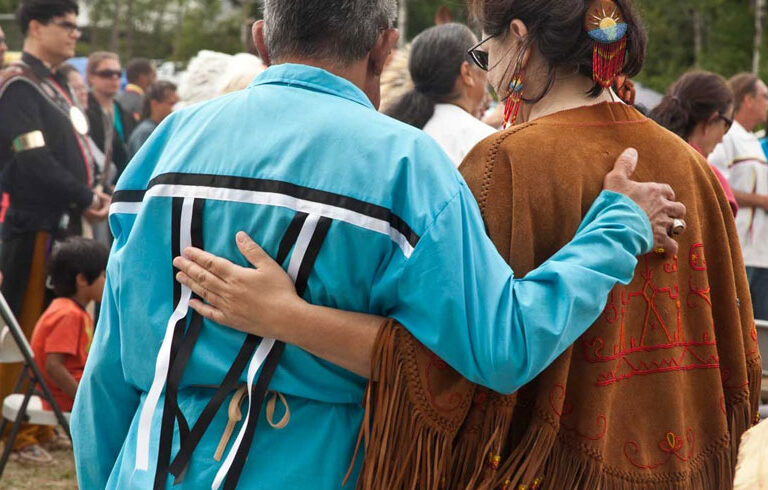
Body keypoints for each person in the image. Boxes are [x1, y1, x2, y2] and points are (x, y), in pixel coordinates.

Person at [71, 1, 684, 489]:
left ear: (261, 39)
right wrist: (616, 229)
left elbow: (108, 368)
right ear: (386, 47)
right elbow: (504, 345)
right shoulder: (402, 165)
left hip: (149, 463)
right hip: (311, 466)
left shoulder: (168, 145)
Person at [0, 0, 110, 399]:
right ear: (34, 27)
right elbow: (32, 160)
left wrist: (91, 192)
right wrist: (83, 195)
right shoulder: (19, 85)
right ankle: (15, 423)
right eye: (65, 25)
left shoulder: (56, 83)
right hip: (35, 224)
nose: (74, 34)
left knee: (55, 325)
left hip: (63, 220)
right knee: (27, 325)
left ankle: (42, 417)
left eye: (76, 26)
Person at [15, 237, 107, 464]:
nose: (108, 281)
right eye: (104, 275)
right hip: (60, 398)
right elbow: (54, 367)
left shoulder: (69, 310)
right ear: (82, 279)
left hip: (61, 394)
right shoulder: (68, 315)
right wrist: (82, 402)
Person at [385, 23, 495, 167]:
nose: (486, 71)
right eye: (480, 60)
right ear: (467, 72)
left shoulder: (395, 136)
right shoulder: (486, 142)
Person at [710, 73, 768, 320]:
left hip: (760, 252)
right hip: (739, 249)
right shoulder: (729, 136)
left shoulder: (754, 141)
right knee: (738, 321)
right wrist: (762, 201)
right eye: (764, 96)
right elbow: (714, 183)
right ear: (748, 100)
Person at [651, 71, 738, 215]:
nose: (722, 138)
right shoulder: (712, 184)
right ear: (711, 120)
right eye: (727, 125)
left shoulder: (640, 151)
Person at [85, 51, 135, 184]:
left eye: (118, 74)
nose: (114, 78)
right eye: (106, 74)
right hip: (98, 186)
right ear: (91, 77)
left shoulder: (125, 112)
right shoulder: (84, 111)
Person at [127, 81, 178, 158]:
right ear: (154, 104)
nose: (176, 108)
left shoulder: (160, 128)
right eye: (172, 104)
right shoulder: (146, 133)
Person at [117, 58, 156, 123]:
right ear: (142, 77)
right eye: (153, 75)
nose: (155, 79)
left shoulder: (117, 99)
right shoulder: (142, 102)